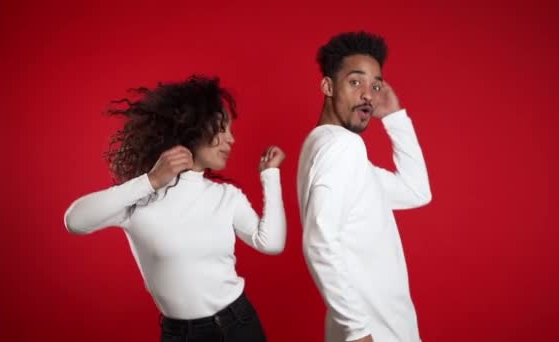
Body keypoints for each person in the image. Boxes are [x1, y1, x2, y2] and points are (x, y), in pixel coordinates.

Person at [64, 75, 286, 342]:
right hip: (181, 335)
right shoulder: (140, 199)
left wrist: (270, 176)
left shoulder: (226, 196)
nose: (231, 140)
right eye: (222, 128)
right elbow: (75, 220)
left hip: (239, 324)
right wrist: (152, 181)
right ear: (193, 128)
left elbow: (270, 244)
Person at [297, 31, 432, 342]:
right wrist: (359, 332)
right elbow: (319, 242)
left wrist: (395, 117)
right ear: (328, 86)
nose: (368, 94)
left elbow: (416, 192)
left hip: (373, 327)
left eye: (375, 85)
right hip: (374, 332)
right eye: (355, 82)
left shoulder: (326, 146)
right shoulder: (343, 148)